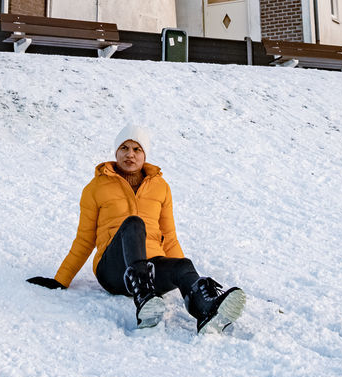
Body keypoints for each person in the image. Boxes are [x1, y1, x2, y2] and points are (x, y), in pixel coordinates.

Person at [27, 123, 246, 332]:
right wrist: (60, 280)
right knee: (133, 223)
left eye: (136, 149)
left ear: (144, 155)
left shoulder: (161, 187)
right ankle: (144, 298)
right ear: (116, 152)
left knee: (183, 265)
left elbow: (169, 237)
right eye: (124, 148)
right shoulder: (95, 188)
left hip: (153, 268)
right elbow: (85, 239)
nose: (130, 154)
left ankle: (206, 310)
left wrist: (187, 278)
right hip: (113, 271)